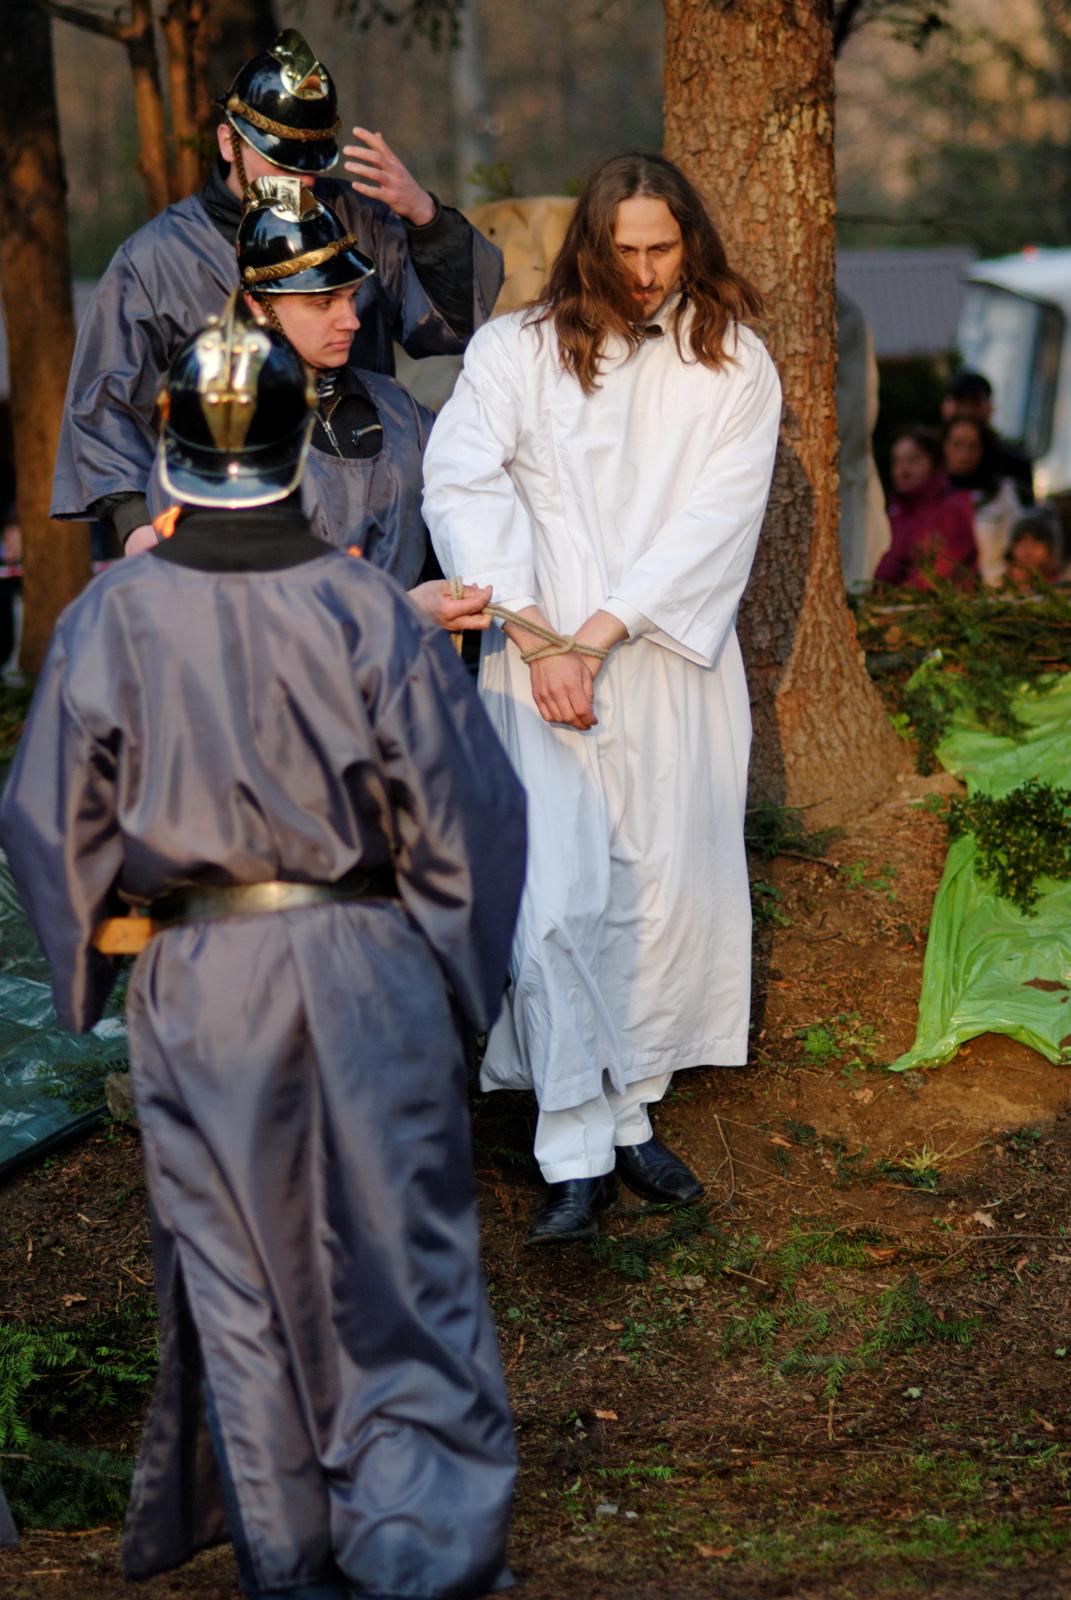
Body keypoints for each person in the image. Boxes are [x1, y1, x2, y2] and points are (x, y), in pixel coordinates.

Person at [1, 294, 526, 1598]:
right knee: (400, 1254)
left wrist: (95, 961)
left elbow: (47, 815)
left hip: (201, 976)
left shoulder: (114, 617)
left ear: (171, 456)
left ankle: (290, 1560)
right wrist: (457, 973)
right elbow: (466, 806)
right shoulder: (365, 604)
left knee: (238, 1273)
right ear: (298, 452)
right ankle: (419, 1549)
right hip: (366, 956)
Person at [423, 151, 782, 1245]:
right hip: (537, 661)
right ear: (590, 245)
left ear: (691, 242)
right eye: (623, 250)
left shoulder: (734, 362)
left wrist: (600, 634)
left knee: (659, 894)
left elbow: (716, 517)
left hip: (664, 657)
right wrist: (540, 639)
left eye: (661, 249)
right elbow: (462, 481)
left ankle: (628, 1112)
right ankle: (573, 1149)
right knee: (555, 900)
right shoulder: (516, 351)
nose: (642, 272)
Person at [52, 28, 503, 558]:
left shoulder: (361, 221)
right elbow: (103, 406)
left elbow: (453, 326)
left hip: (377, 504)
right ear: (229, 143)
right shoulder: (152, 261)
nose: (299, 182)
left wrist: (425, 219)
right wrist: (137, 527)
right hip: (226, 528)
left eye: (310, 165)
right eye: (282, 162)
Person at [235, 176, 490, 632]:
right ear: (258, 305)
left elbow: (474, 501)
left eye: (352, 297)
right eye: (323, 303)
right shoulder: (216, 438)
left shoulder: (398, 406)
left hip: (413, 670)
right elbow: (239, 614)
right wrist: (405, 610)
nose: (351, 321)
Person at [875, 426, 977, 589]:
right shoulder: (897, 511)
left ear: (934, 463)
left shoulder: (951, 510)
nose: (902, 471)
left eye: (913, 460)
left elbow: (930, 579)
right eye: (897, 461)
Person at [941, 413, 1021, 586]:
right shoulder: (931, 495)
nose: (965, 454)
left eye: (973, 446)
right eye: (957, 444)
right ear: (944, 447)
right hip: (938, 591)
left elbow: (1017, 549)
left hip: (991, 590)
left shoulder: (1001, 496)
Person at [941, 369, 1034, 506]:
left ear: (989, 408)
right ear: (944, 406)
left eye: (975, 402)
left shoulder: (1014, 464)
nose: (966, 410)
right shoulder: (925, 454)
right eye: (959, 401)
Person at [1005, 508, 1064, 590]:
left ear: (1049, 549)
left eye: (1035, 542)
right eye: (1021, 543)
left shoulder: (1061, 586)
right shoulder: (1001, 583)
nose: (1027, 550)